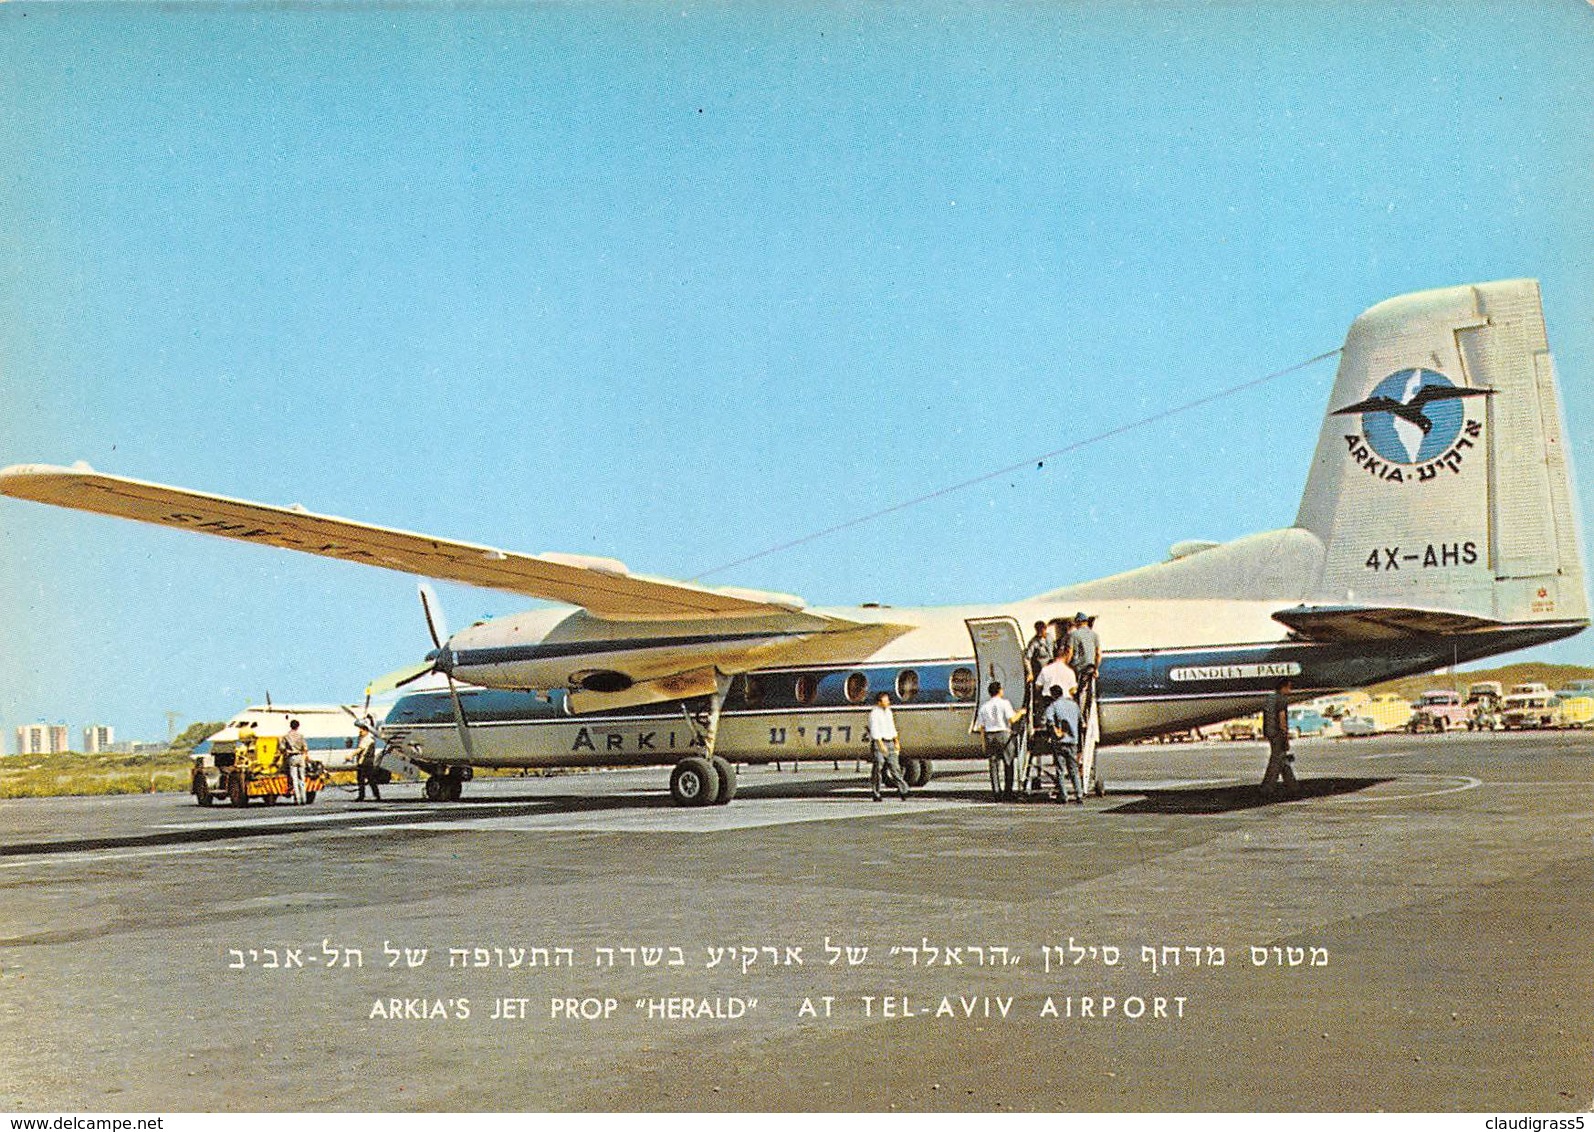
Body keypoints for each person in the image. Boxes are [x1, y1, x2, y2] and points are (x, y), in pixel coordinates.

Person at [975, 681, 1023, 801]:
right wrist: (1021, 712)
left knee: (993, 765)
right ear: (1000, 691)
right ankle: (1008, 792)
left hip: (990, 736)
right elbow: (1012, 719)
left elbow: (981, 727)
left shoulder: (984, 706)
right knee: (1008, 763)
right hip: (1003, 734)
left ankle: (996, 792)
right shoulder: (1004, 703)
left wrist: (983, 743)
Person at [1042, 685, 1084, 803]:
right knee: (1074, 769)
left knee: (1060, 769)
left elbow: (1049, 720)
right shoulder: (1074, 705)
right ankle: (1079, 794)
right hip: (1073, 741)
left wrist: (1055, 732)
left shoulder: (1053, 706)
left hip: (1059, 742)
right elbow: (1082, 721)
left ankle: (1064, 795)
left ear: (1053, 695)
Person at [1260, 677, 1298, 797]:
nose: (1290, 690)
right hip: (1278, 733)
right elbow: (1282, 719)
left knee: (1281, 758)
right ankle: (1267, 787)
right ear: (1283, 687)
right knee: (1276, 760)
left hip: (1270, 731)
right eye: (1289, 687)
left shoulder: (1270, 699)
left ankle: (1292, 784)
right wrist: (1285, 735)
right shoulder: (1281, 700)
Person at [867, 693, 909, 801]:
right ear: (879, 702)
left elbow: (892, 727)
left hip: (890, 742)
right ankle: (876, 793)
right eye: (886, 701)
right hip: (879, 742)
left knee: (895, 768)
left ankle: (903, 790)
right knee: (878, 768)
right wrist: (880, 745)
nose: (888, 702)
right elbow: (874, 730)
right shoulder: (874, 714)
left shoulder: (889, 712)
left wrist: (896, 741)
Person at [1066, 612, 1101, 712]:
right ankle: (1086, 715)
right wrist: (1096, 669)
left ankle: (1079, 717)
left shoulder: (1073, 635)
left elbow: (1069, 652)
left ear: (1078, 622)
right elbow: (1098, 654)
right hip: (1090, 668)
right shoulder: (1095, 635)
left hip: (1078, 668)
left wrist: (1066, 666)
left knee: (1077, 692)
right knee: (1088, 693)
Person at [353, 717, 381, 802]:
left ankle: (375, 795)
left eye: (361, 731)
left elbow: (360, 749)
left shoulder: (367, 739)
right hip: (363, 762)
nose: (360, 733)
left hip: (366, 763)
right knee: (361, 780)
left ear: (366, 730)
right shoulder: (365, 738)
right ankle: (363, 796)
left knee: (370, 780)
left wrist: (350, 755)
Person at [283, 718, 309, 804]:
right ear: (298, 726)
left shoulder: (286, 736)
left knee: (294, 779)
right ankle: (304, 798)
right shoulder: (301, 736)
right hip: (300, 757)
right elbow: (305, 748)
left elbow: (282, 748)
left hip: (292, 757)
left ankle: (297, 799)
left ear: (290, 726)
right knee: (302, 778)